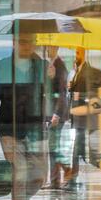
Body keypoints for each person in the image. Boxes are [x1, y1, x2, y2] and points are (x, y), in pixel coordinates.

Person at [0, 33, 49, 200]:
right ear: (14, 42)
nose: (27, 44)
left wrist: (54, 77)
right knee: (20, 172)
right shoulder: (1, 67)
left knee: (40, 176)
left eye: (30, 40)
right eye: (23, 40)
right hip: (9, 129)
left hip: (35, 130)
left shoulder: (43, 67)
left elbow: (54, 97)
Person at [65, 47, 101, 191]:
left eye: (78, 52)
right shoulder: (78, 71)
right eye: (76, 52)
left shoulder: (91, 72)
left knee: (87, 147)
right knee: (80, 147)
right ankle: (77, 174)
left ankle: (82, 174)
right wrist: (72, 87)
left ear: (85, 53)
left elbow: (92, 93)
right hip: (80, 116)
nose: (76, 55)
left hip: (86, 116)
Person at [41, 46, 69, 190]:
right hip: (50, 113)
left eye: (50, 46)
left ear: (56, 47)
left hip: (56, 115)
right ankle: (56, 179)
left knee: (53, 147)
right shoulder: (50, 65)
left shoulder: (60, 66)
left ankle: (61, 175)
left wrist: (56, 114)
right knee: (53, 147)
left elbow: (62, 93)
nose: (47, 49)